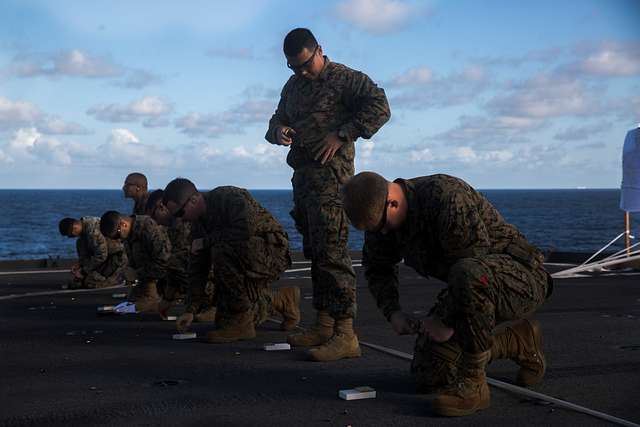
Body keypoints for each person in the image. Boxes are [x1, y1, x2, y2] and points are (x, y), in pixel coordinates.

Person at [342, 171, 553, 417]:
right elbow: (378, 268)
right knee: (430, 374)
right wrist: (393, 312)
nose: (383, 234)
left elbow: (472, 270)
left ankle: (474, 385)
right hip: (468, 286)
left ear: (393, 202)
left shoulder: (446, 196)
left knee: (468, 273)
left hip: (519, 281)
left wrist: (445, 321)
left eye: (382, 226)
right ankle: (517, 342)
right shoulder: (382, 220)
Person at [265, 27, 391, 361]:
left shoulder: (346, 79)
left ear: (320, 50)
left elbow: (380, 107)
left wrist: (342, 133)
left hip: (334, 183)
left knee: (333, 254)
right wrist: (278, 131)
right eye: (293, 68)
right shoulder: (293, 87)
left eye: (306, 64)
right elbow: (275, 120)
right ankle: (323, 323)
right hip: (303, 181)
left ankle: (345, 334)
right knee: (315, 252)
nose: (301, 72)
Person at [162, 178, 300, 343]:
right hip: (244, 256)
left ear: (193, 199)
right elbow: (198, 268)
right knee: (223, 319)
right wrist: (190, 310)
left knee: (221, 249)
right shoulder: (199, 225)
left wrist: (206, 242)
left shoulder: (228, 197)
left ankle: (241, 324)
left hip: (272, 254)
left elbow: (245, 229)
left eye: (180, 213)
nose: (181, 220)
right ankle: (282, 300)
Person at [145, 190, 216, 322]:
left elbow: (183, 260)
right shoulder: (174, 226)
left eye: (155, 217)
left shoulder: (183, 223)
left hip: (215, 262)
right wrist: (167, 299)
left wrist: (168, 298)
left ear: (161, 208)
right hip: (207, 262)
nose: (157, 223)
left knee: (179, 263)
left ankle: (213, 306)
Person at [99, 210, 171, 312]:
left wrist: (137, 273)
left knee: (143, 306)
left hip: (167, 277)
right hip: (147, 278)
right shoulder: (129, 233)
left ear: (124, 224)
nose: (118, 239)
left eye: (117, 236)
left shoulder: (149, 228)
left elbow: (164, 263)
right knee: (129, 303)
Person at [58, 216, 127, 289]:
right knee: (85, 279)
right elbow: (86, 255)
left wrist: (83, 271)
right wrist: (80, 265)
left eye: (70, 235)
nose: (71, 237)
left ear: (75, 229)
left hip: (117, 257)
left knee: (91, 283)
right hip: (108, 257)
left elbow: (101, 256)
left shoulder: (93, 232)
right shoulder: (84, 232)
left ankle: (119, 278)